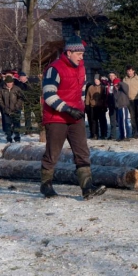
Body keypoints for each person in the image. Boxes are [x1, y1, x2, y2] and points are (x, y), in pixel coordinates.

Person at [40, 35, 107, 199]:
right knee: (53, 153)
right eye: (79, 54)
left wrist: (81, 106)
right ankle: (46, 185)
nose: (81, 57)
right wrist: (68, 109)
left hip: (75, 116)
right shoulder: (54, 69)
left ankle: (87, 187)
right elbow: (48, 95)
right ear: (69, 53)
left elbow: (82, 89)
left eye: (82, 54)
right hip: (56, 117)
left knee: (82, 151)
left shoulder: (81, 68)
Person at [123, 65, 138, 139]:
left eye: (130, 71)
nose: (129, 72)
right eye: (128, 71)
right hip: (130, 100)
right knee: (133, 117)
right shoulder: (125, 80)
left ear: (133, 71)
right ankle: (135, 133)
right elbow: (123, 91)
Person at [0, 75, 25, 143]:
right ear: (6, 83)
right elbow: (0, 100)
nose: (9, 84)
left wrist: (17, 106)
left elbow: (21, 98)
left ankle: (17, 138)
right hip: (6, 110)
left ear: (12, 83)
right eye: (8, 83)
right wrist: (4, 107)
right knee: (7, 125)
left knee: (16, 124)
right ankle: (9, 138)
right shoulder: (2, 89)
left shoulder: (17, 89)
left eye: (10, 82)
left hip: (16, 110)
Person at [85, 75, 108, 139]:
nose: (96, 81)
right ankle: (95, 134)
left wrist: (105, 105)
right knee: (94, 121)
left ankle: (103, 134)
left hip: (101, 106)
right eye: (95, 80)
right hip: (93, 106)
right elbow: (88, 97)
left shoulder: (103, 87)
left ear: (100, 80)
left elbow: (105, 97)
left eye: (97, 80)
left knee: (102, 121)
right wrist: (87, 105)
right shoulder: (91, 87)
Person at [106, 71, 118, 140]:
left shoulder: (117, 82)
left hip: (117, 102)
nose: (111, 77)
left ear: (115, 76)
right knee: (112, 119)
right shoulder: (108, 83)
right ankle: (113, 135)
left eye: (112, 75)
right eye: (110, 75)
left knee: (119, 119)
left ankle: (123, 134)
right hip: (110, 101)